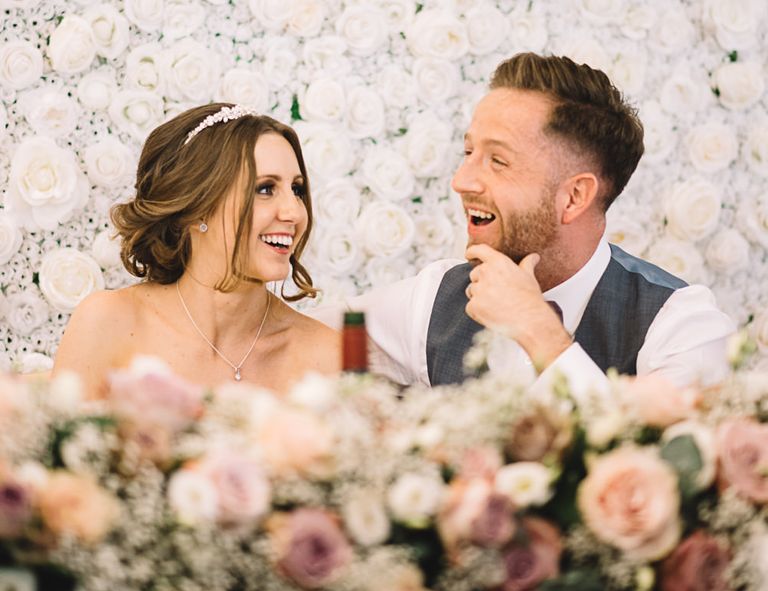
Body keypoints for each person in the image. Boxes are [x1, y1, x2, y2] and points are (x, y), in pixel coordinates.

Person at [321, 53, 735, 395]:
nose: (461, 181)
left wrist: (539, 331)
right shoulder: (434, 298)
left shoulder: (681, 324)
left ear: (574, 197)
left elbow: (660, 466)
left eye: (497, 161)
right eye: (468, 152)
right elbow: (291, 339)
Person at [53, 104, 339, 398]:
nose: (294, 212)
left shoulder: (325, 357)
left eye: (298, 190)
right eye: (265, 189)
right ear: (197, 210)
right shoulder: (108, 323)